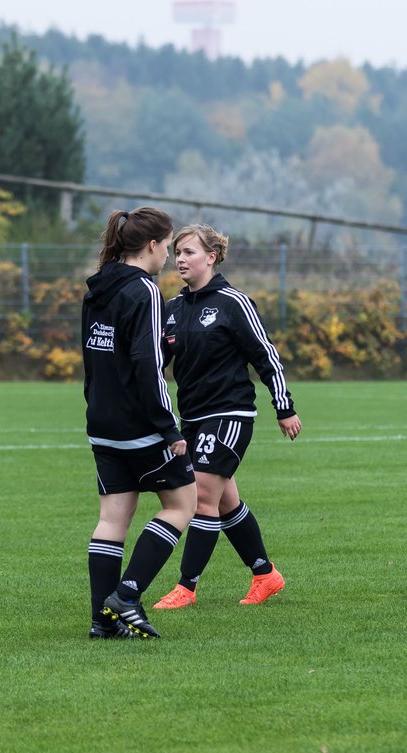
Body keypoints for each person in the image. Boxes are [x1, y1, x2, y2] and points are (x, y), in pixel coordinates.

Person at [150, 224, 301, 611]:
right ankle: (266, 574)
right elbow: (156, 365)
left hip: (230, 413)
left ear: (211, 257)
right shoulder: (173, 309)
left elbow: (266, 357)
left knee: (202, 496)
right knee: (225, 502)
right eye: (177, 252)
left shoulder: (234, 302)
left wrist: (284, 407)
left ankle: (186, 587)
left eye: (189, 252)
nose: (179, 259)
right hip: (193, 419)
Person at [82, 207, 197, 638]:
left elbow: (92, 359)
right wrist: (169, 427)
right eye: (168, 245)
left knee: (113, 518)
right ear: (152, 245)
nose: (169, 254)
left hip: (102, 421)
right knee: (182, 504)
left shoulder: (98, 286)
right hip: (140, 425)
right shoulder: (145, 290)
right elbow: (148, 366)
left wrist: (96, 408)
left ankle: (102, 622)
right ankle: (127, 596)